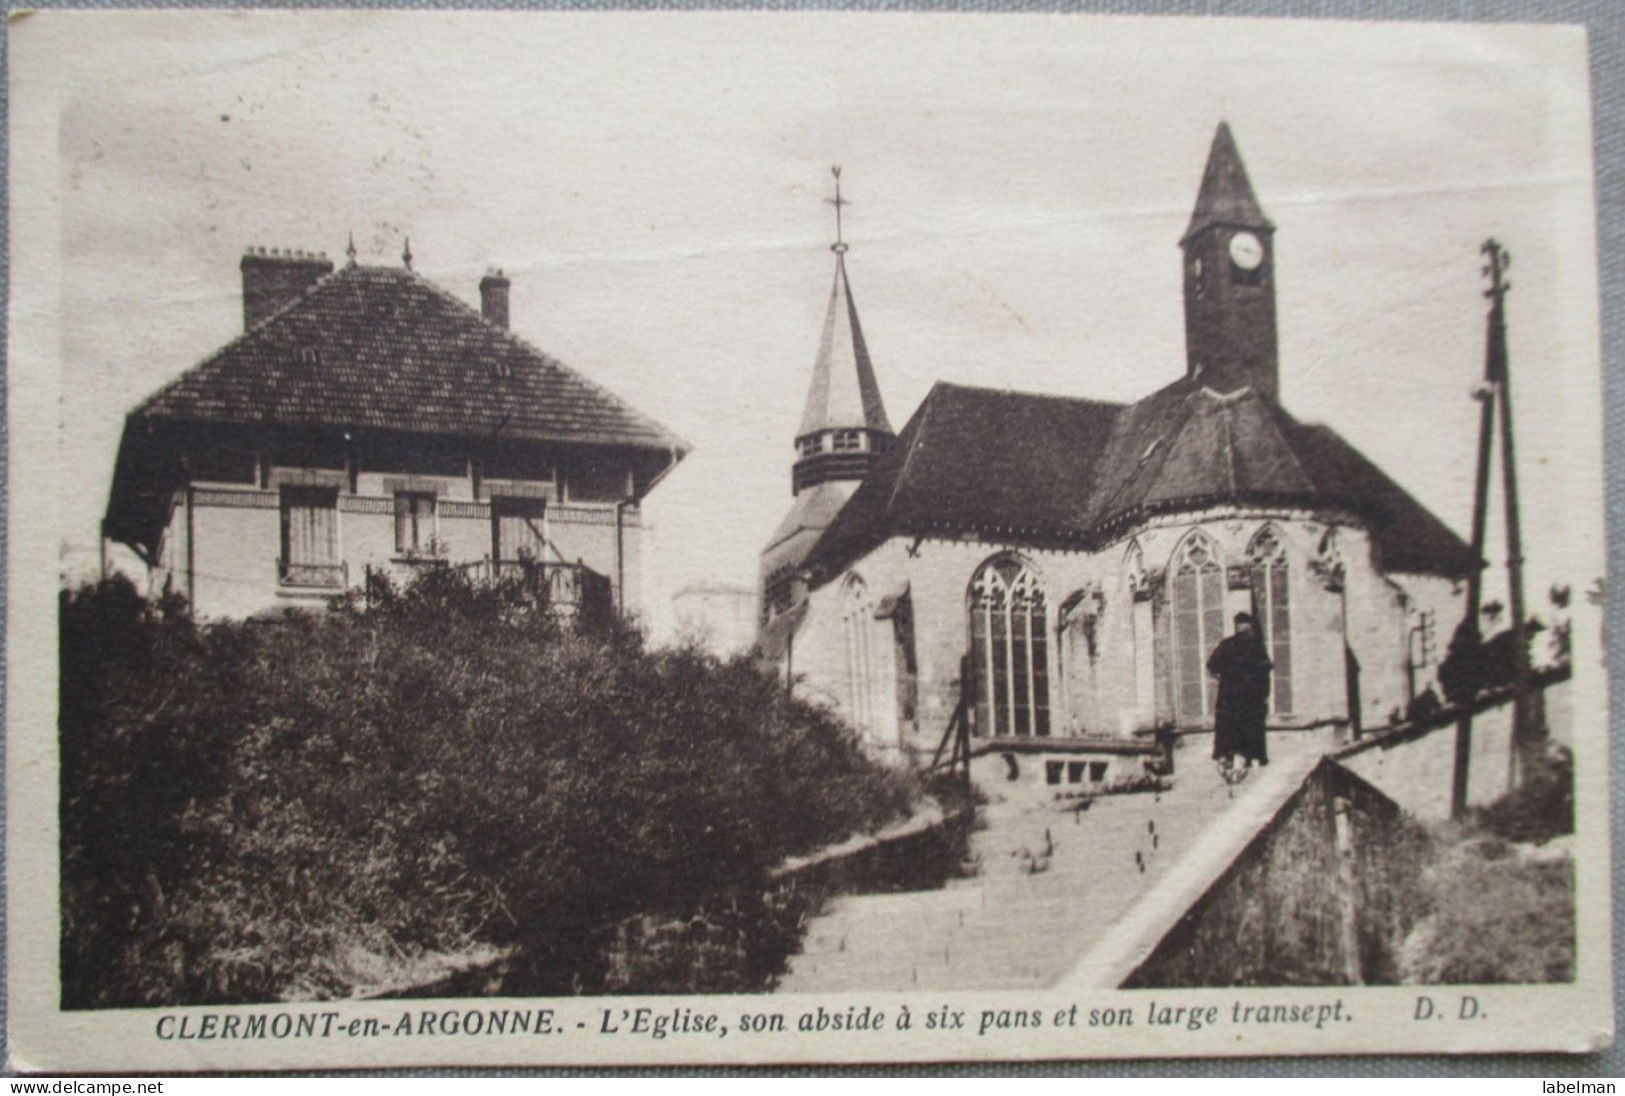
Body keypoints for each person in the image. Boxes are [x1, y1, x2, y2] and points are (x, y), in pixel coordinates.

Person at [1208, 612, 1273, 780]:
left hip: (1230, 698)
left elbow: (1212, 667)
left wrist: (1222, 679)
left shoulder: (1227, 645)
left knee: (1229, 730)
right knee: (1249, 730)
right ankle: (1246, 763)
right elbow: (1265, 673)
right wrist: (1263, 694)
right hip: (1249, 699)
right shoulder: (1256, 646)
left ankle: (1230, 762)